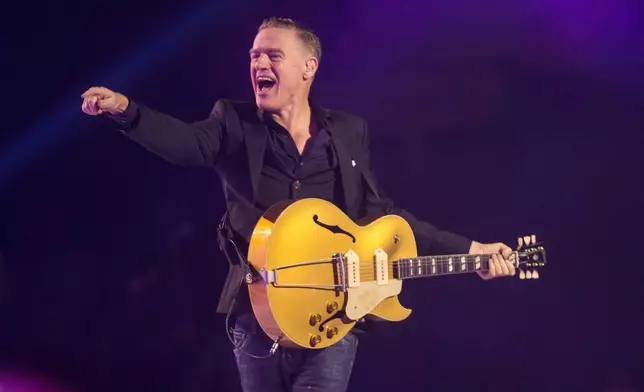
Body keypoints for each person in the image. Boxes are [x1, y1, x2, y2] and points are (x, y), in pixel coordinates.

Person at [81, 17, 516, 392]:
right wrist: (127, 111)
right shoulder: (233, 122)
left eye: (272, 55)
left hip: (332, 317)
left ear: (309, 67)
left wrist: (471, 249)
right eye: (253, 56)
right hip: (258, 316)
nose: (258, 65)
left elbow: (384, 218)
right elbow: (184, 144)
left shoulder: (347, 133)